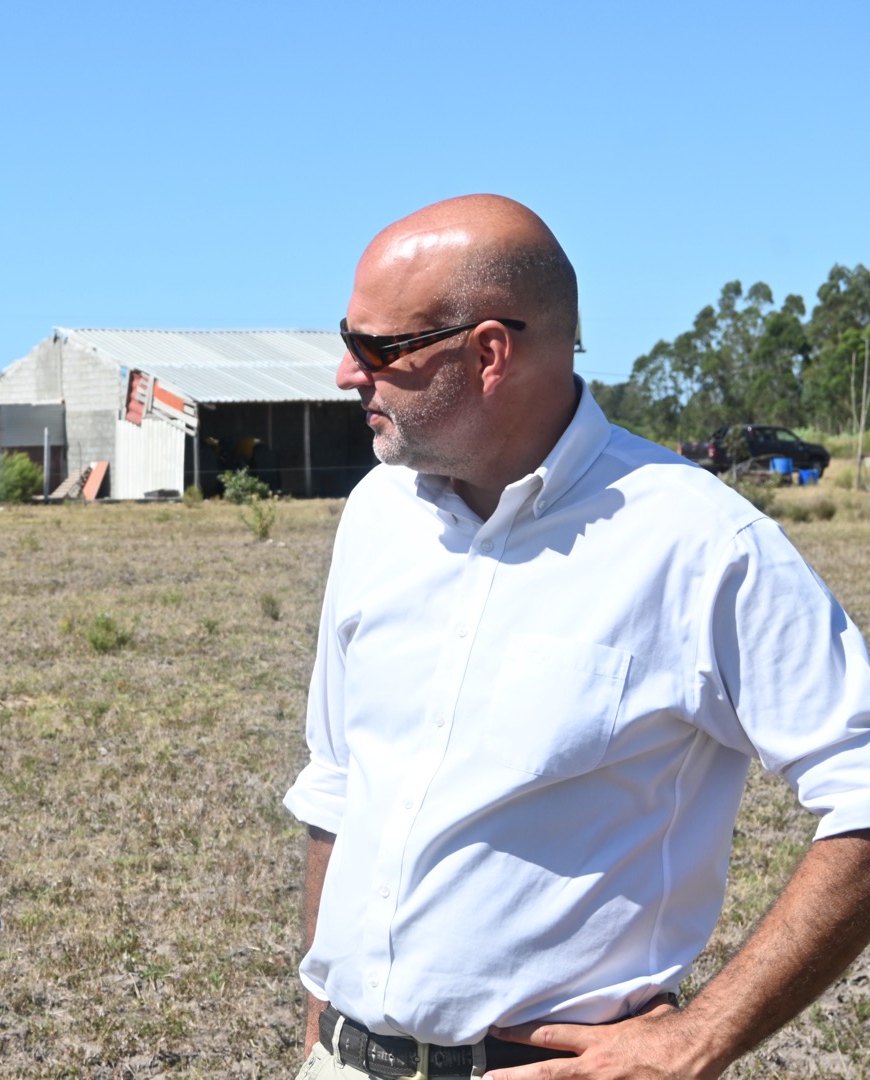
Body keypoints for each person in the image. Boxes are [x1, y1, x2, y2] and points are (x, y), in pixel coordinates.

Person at [285, 195, 870, 1080]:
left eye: (378, 348)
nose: (345, 372)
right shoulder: (376, 517)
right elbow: (337, 787)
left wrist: (700, 1037)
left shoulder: (699, 540)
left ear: (489, 353)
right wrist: (319, 1034)